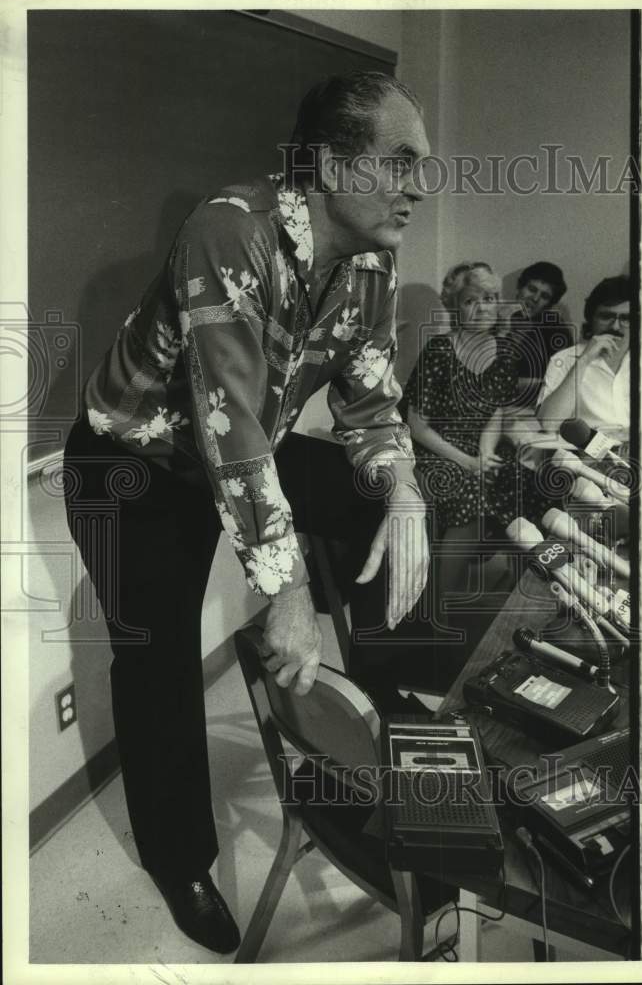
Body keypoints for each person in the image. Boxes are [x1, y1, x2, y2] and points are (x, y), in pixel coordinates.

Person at [62, 71, 431, 954]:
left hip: (238, 449)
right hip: (136, 466)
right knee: (155, 658)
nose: (419, 187)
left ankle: (386, 724)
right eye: (401, 162)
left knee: (382, 504)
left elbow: (371, 407)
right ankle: (180, 858)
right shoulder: (227, 230)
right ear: (332, 166)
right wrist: (287, 591)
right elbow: (227, 428)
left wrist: (404, 488)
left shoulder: (373, 262)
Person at [402, 262, 536, 648]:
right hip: (432, 449)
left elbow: (495, 414)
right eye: (471, 300)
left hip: (475, 447)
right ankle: (436, 611)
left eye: (489, 299)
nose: (482, 308)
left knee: (526, 480)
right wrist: (470, 463)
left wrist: (486, 453)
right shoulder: (439, 350)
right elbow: (416, 426)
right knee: (471, 493)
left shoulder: (504, 353)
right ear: (454, 306)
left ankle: (518, 600)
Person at [536, 275, 632, 437]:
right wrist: (584, 360)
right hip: (586, 450)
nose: (615, 326)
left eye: (626, 319)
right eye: (606, 316)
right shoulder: (565, 359)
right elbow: (548, 424)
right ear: (591, 319)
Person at [506, 261, 570, 382]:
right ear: (520, 287)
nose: (535, 298)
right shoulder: (494, 318)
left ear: (549, 305)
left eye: (544, 296)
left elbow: (560, 378)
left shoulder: (556, 331)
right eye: (532, 289)